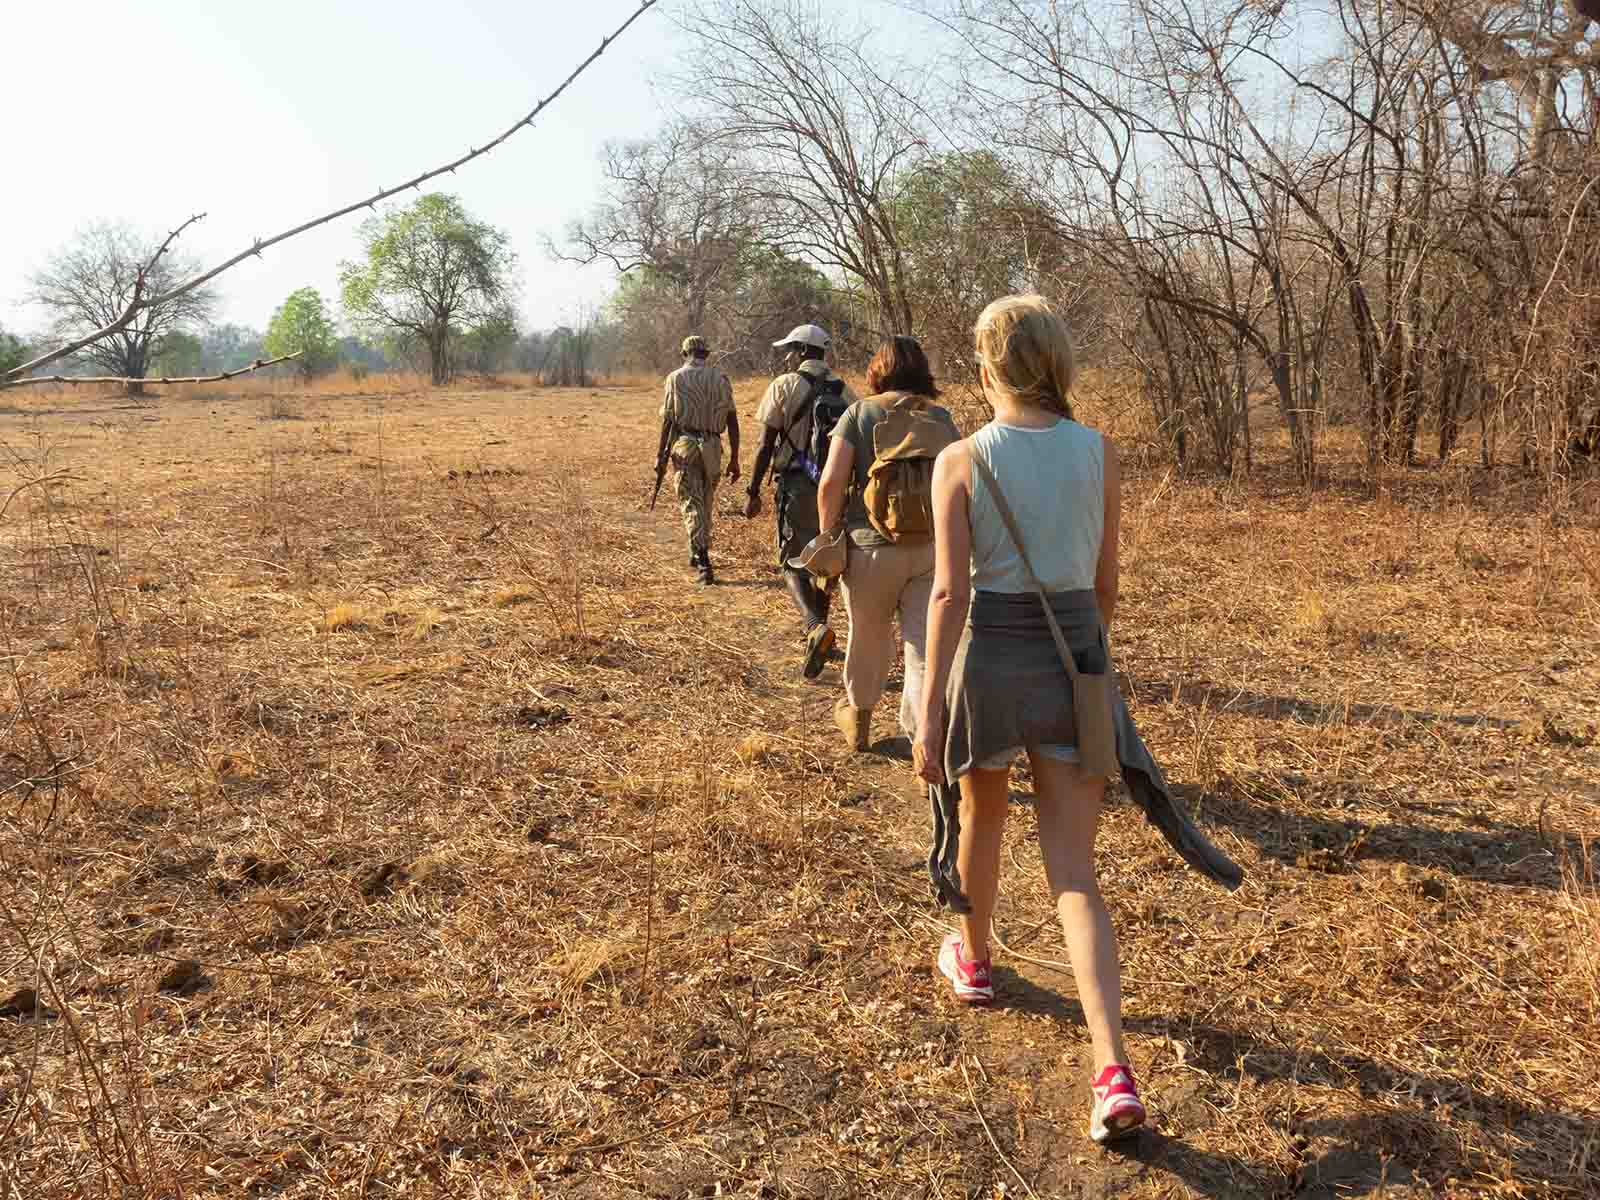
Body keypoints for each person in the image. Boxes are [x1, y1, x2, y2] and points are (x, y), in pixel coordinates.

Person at [913, 294, 1145, 1144]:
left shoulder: (962, 457)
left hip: (991, 665)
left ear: (986, 367)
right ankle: (1112, 1067)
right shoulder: (1099, 454)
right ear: (1059, 365)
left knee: (982, 815)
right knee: (1074, 874)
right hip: (1073, 658)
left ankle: (973, 960)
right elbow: (1107, 583)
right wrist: (1086, 668)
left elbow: (948, 592)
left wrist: (932, 709)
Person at [816, 335, 959, 752]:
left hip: (869, 549)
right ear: (922, 371)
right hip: (931, 550)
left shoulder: (859, 413)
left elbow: (830, 483)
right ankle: (924, 744)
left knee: (868, 638)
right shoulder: (941, 417)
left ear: (878, 370)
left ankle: (859, 721)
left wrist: (830, 536)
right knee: (922, 648)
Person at [743, 323, 858, 677]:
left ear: (803, 351)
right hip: (836, 487)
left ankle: (813, 627)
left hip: (796, 484)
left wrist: (753, 489)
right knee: (826, 561)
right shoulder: (845, 390)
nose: (787, 356)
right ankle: (821, 634)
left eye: (790, 349)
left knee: (791, 561)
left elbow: (766, 444)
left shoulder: (784, 386)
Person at [658, 335, 739, 585]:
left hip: (686, 445)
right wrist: (735, 458)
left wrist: (660, 454)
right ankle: (696, 549)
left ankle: (703, 560)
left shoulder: (675, 378)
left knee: (691, 503)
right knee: (705, 502)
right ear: (707, 354)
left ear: (685, 353)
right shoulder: (721, 379)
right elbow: (732, 421)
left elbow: (668, 421)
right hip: (713, 447)